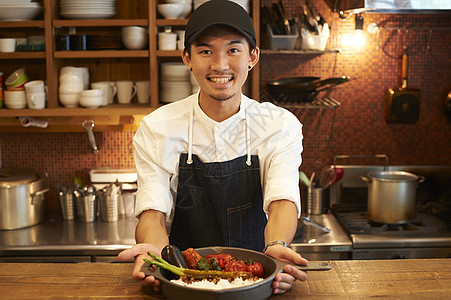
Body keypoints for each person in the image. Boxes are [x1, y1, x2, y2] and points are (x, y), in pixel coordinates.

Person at [118, 0, 308, 294]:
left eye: (233, 50)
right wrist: (158, 258)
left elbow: (282, 200)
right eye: (206, 51)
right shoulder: (158, 127)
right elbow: (152, 212)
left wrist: (277, 249)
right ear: (187, 58)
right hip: (183, 280)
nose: (220, 65)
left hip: (255, 281)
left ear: (252, 56)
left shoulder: (279, 125)